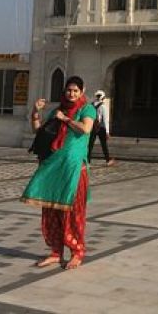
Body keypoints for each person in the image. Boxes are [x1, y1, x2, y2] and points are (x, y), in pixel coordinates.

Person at [21, 75, 96, 270]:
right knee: (51, 211)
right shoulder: (58, 110)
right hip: (54, 166)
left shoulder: (87, 109)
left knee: (73, 212)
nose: (71, 94)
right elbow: (40, 131)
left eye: (75, 91)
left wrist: (66, 119)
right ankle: (56, 252)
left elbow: (85, 129)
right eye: (69, 90)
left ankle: (77, 251)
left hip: (74, 168)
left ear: (82, 91)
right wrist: (35, 113)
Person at [88, 89, 115, 166]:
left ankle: (88, 161)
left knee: (90, 144)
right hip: (101, 127)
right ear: (103, 97)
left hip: (92, 126)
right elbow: (106, 120)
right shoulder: (103, 107)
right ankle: (108, 160)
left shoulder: (91, 105)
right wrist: (107, 132)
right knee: (104, 144)